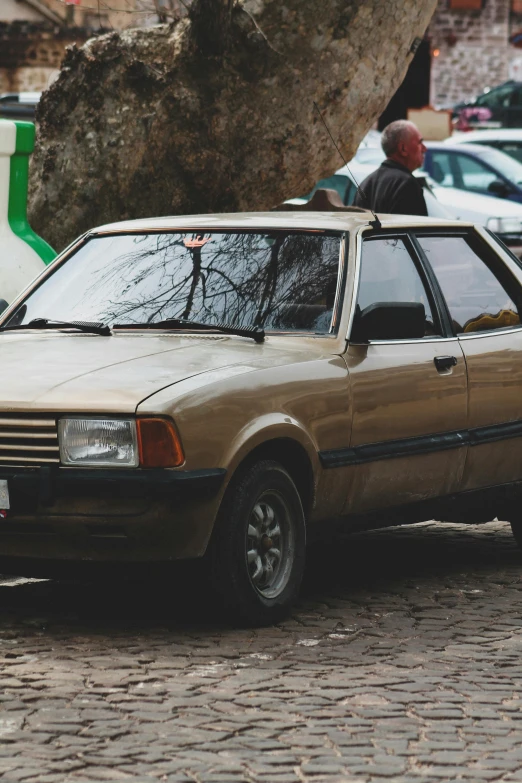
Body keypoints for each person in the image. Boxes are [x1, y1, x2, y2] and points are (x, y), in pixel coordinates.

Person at [354, 120, 428, 216]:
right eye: (420, 142)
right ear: (403, 149)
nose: (425, 148)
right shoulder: (406, 184)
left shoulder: (366, 183)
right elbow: (417, 228)